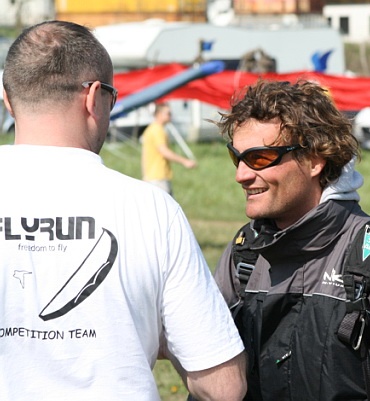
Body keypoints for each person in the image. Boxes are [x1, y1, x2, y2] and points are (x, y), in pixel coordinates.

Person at [0, 20, 246, 400]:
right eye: (112, 97)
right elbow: (223, 387)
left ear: (7, 99)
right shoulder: (152, 211)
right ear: (93, 97)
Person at [210, 79, 370, 400]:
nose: (241, 175)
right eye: (236, 157)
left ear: (314, 160)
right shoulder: (244, 256)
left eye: (260, 158)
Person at [141, 102, 197, 196]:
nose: (171, 116)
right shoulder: (157, 130)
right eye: (168, 113)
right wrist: (185, 161)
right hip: (158, 178)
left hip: (152, 177)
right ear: (159, 114)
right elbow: (164, 151)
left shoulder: (151, 129)